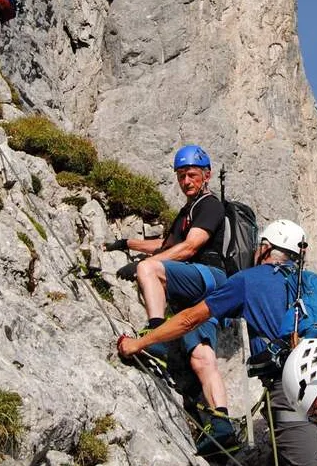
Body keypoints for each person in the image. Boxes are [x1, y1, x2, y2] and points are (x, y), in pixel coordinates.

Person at [118, 219, 317, 465]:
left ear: (265, 247)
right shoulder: (311, 286)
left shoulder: (249, 279)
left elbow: (190, 319)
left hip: (291, 389)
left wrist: (139, 343)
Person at [105, 144, 234, 454]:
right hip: (207, 294)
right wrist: (126, 242)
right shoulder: (186, 213)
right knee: (201, 355)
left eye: (191, 174)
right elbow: (164, 245)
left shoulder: (210, 206)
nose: (186, 181)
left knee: (151, 268)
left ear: (206, 176)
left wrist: (144, 267)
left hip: (209, 276)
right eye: (180, 176)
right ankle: (221, 422)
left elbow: (189, 248)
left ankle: (155, 337)